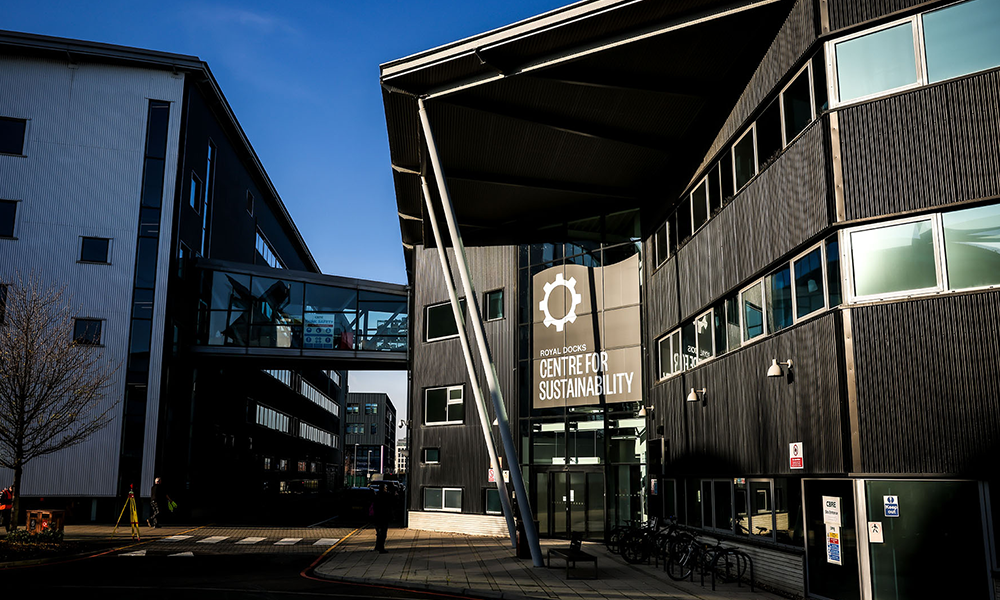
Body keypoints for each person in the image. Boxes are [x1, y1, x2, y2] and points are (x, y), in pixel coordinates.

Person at [372, 483, 394, 553]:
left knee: (379, 532)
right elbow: (392, 502)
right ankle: (381, 548)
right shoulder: (386, 496)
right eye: (385, 488)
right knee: (383, 533)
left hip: (377, 517)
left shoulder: (376, 495)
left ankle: (377, 546)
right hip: (384, 517)